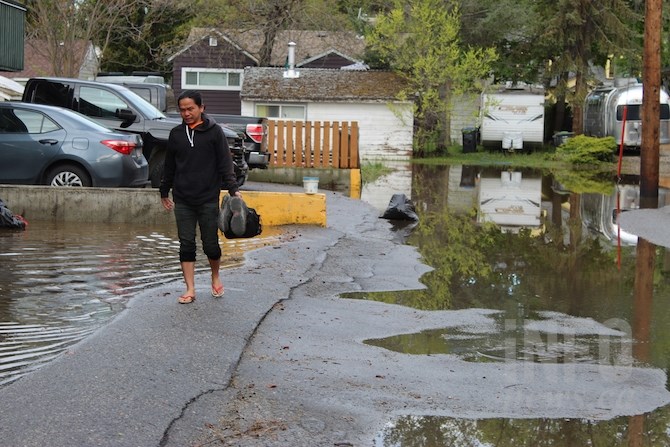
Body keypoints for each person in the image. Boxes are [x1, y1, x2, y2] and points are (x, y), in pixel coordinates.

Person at [159, 90, 241, 304]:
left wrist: (233, 189)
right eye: (182, 110)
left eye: (190, 109)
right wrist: (164, 190)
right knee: (186, 244)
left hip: (207, 198)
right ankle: (190, 289)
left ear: (201, 108)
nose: (186, 113)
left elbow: (225, 163)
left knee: (210, 244)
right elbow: (169, 166)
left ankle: (215, 277)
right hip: (183, 198)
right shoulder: (176, 134)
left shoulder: (215, 133)